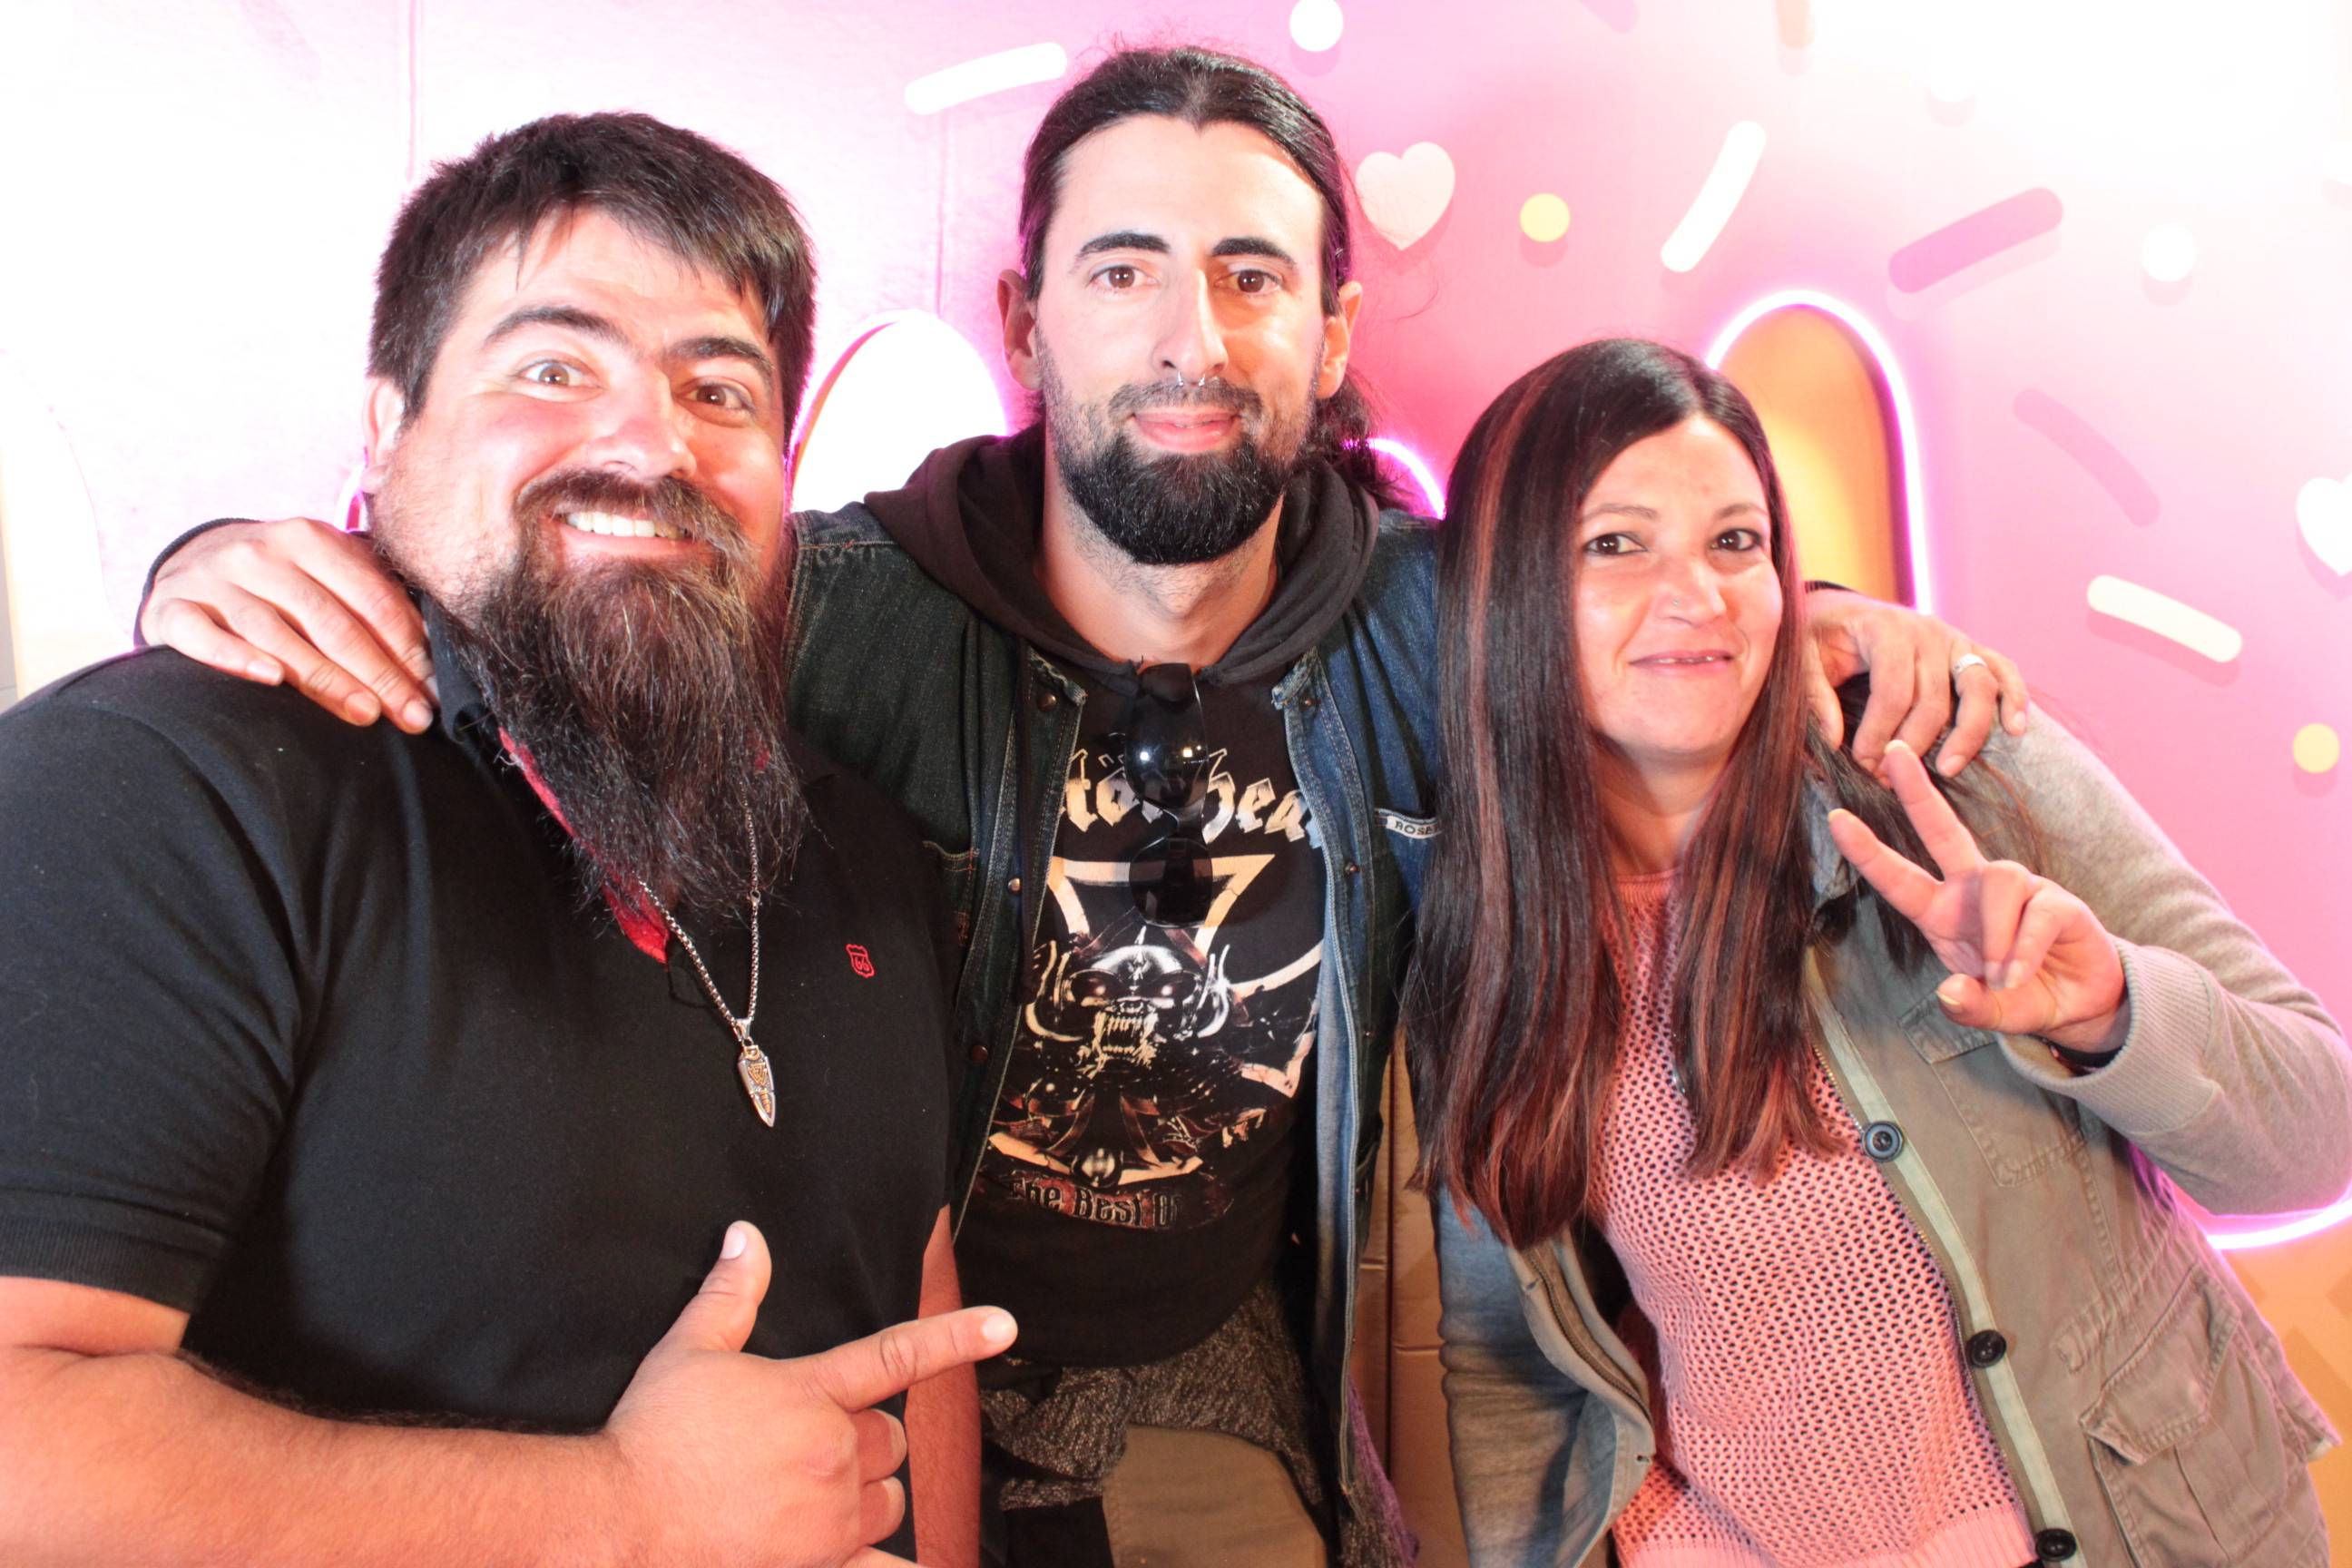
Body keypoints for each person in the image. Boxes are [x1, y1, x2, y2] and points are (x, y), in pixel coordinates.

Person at [127, 49, 2026, 1568]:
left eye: (1252, 275)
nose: (1189, 335)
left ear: (1331, 334)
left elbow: (1646, 613)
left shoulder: (1436, 633)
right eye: (1123, 271)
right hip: (812, 1348)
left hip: (1203, 1374)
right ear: (1028, 320)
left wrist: (1829, 621)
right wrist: (240, 561)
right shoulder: (821, 606)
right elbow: (543, 618)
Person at [0, 112, 1016, 1567]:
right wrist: (627, 1516)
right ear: (387, 423)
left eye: (719, 390)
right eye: (554, 368)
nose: (652, 442)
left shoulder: (859, 839)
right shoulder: (168, 781)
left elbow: (915, 1303)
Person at [1408, 338, 2348, 1568]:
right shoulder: (1492, 938)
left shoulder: (1956, 763)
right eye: (1617, 544)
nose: (1699, 596)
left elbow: (2317, 1132)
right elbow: (1509, 1357)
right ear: (1506, 593)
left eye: (1736, 541)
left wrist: (2111, 1011)